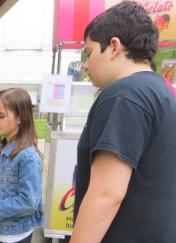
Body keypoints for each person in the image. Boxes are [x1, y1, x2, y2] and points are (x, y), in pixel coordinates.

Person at [71, 2, 176, 243]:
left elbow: (106, 193)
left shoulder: (124, 95)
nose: (86, 64)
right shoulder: (161, 91)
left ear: (114, 46)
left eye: (89, 52)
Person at [0, 88, 43, 243]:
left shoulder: (28, 157)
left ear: (20, 117)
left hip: (14, 236)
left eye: (1, 116)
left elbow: (28, 201)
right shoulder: (4, 146)